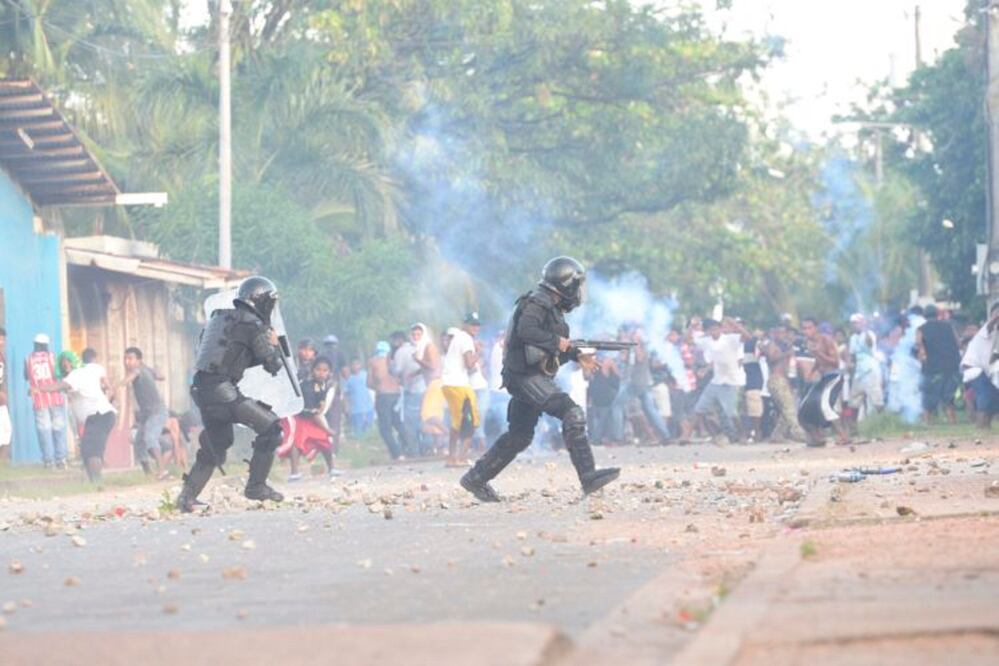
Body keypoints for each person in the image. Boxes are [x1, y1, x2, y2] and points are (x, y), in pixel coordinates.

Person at [460, 256, 620, 501]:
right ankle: (588, 476)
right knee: (572, 413)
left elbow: (548, 350)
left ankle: (475, 478)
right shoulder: (538, 302)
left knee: (520, 435)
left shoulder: (550, 307)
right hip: (525, 377)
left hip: (526, 375)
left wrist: (577, 354)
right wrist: (559, 343)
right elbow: (528, 332)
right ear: (566, 284)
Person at [176, 276, 288, 512]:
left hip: (202, 390)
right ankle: (256, 486)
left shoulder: (220, 318)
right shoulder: (253, 325)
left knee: (218, 443)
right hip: (222, 392)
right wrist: (274, 343)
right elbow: (272, 364)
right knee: (271, 429)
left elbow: (227, 356)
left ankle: (187, 498)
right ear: (263, 302)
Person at [33, 348, 116, 483]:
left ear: (74, 362)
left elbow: (58, 386)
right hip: (93, 418)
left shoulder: (76, 375)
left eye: (68, 363)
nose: (66, 367)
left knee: (92, 451)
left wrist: (39, 389)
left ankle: (98, 483)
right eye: (63, 365)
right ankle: (95, 483)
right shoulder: (79, 374)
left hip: (100, 415)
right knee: (86, 451)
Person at [278, 356, 340, 479]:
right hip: (299, 417)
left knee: (325, 441)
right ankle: (294, 472)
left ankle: (332, 468)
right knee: (297, 443)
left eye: (324, 370)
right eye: (318, 369)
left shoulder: (322, 385)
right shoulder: (308, 387)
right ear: (312, 370)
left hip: (311, 417)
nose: (321, 373)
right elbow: (314, 414)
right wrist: (327, 429)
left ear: (329, 373)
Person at [692, 317, 750, 444]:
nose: (714, 332)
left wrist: (733, 323)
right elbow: (689, 340)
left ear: (721, 329)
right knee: (699, 410)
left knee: (732, 413)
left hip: (732, 381)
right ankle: (716, 435)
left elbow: (747, 337)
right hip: (716, 381)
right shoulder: (707, 341)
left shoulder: (730, 339)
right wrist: (692, 326)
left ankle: (742, 435)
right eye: (711, 330)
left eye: (716, 329)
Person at [121, 347, 171, 479]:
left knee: (150, 438)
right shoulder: (146, 369)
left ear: (138, 360)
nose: (127, 362)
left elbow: (131, 377)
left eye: (130, 359)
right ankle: (148, 474)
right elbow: (161, 376)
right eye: (125, 359)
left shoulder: (137, 370)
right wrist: (154, 373)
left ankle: (162, 471)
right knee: (139, 443)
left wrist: (122, 383)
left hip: (157, 412)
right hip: (146, 415)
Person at [799, 317, 849, 446]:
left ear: (815, 328)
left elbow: (835, 362)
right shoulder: (809, 342)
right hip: (823, 378)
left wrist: (818, 353)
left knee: (825, 406)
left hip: (834, 376)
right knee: (805, 408)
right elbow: (819, 361)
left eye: (809, 328)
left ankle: (843, 435)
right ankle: (817, 438)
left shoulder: (826, 340)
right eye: (804, 328)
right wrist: (812, 371)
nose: (806, 331)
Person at [441, 313, 482, 466]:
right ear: (465, 325)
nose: (475, 327)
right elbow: (470, 364)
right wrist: (478, 352)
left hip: (451, 383)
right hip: (458, 385)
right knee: (471, 422)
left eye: (477, 325)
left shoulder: (459, 338)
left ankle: (453, 457)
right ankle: (459, 458)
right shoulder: (465, 338)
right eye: (472, 324)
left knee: (458, 421)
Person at [24, 333, 68, 469]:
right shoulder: (53, 357)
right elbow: (59, 374)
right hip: (55, 397)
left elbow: (26, 376)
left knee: (44, 430)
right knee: (58, 429)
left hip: (39, 400)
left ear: (35, 345)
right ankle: (61, 459)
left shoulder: (27, 359)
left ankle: (48, 461)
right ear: (46, 345)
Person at [916, 304, 961, 425]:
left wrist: (922, 361)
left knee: (928, 396)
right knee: (949, 397)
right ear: (937, 314)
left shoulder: (921, 329)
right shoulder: (949, 326)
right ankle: (952, 422)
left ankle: (927, 422)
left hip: (932, 368)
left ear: (924, 316)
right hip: (951, 366)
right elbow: (958, 343)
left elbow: (921, 348)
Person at [961, 304, 999, 428]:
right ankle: (981, 426)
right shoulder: (987, 329)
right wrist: (995, 317)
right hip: (973, 368)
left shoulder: (996, 334)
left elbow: (993, 357)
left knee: (992, 395)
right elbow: (990, 325)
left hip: (980, 369)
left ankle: (985, 426)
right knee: (986, 395)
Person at [368, 341, 406, 459]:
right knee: (399, 424)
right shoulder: (393, 361)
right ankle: (410, 448)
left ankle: (397, 453)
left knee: (385, 428)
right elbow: (402, 380)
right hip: (397, 395)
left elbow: (368, 383)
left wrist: (378, 387)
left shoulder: (374, 361)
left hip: (383, 396)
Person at [846, 314, 883, 426]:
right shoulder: (852, 338)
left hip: (870, 370)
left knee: (876, 400)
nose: (854, 325)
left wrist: (865, 328)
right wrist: (850, 366)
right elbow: (852, 355)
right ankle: (853, 428)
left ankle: (883, 423)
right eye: (853, 323)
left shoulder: (869, 334)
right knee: (854, 401)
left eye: (856, 322)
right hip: (859, 372)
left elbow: (869, 343)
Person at [344, 358, 374, 437]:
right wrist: (347, 407)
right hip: (356, 410)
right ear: (351, 366)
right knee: (358, 432)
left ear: (360, 365)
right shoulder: (349, 380)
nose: (355, 366)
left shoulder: (366, 375)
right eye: (353, 365)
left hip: (368, 408)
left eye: (357, 364)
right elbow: (346, 395)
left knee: (370, 431)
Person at [0, 327, 10, 462]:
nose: (1, 342)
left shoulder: (2, 356)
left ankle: (2, 463)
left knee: (6, 431)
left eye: (2, 339)